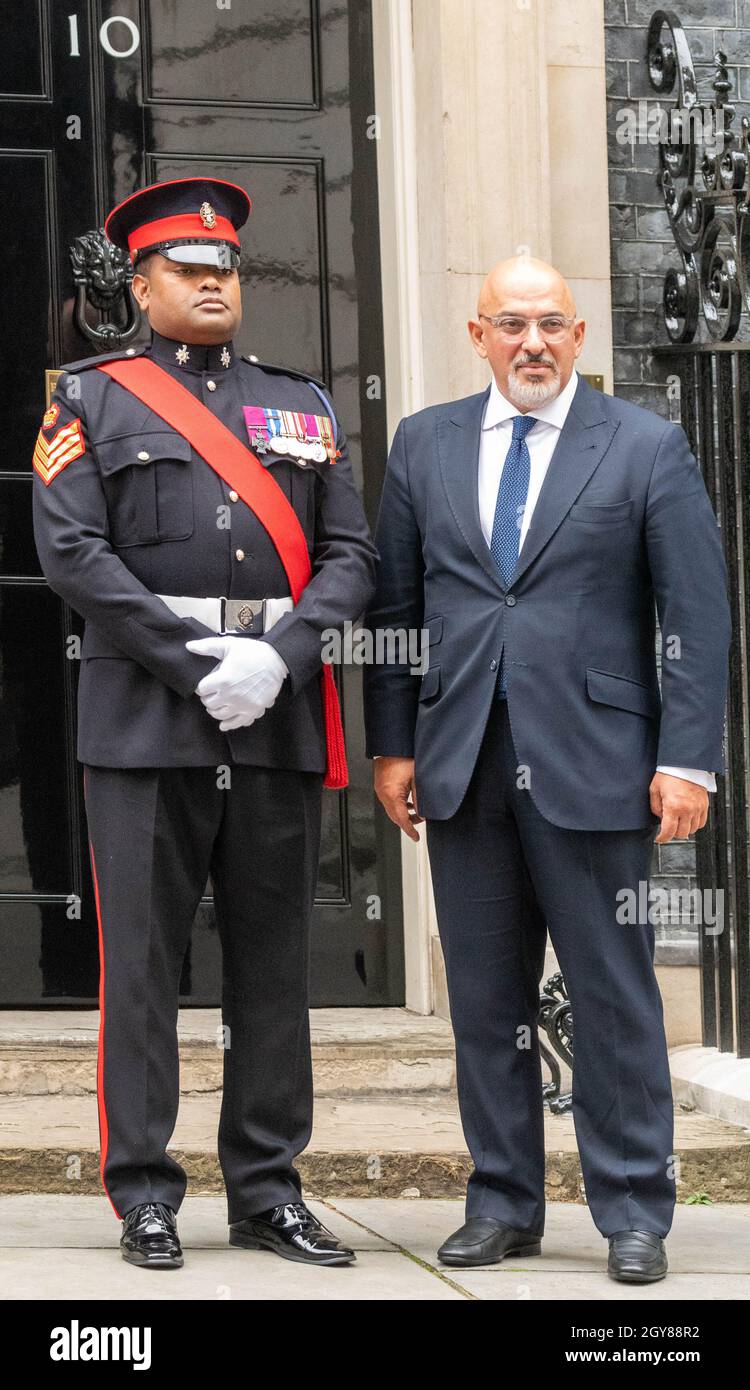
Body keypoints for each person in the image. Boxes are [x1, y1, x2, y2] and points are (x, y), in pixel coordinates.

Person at [362, 256, 731, 1284]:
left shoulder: (646, 445)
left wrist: (688, 760)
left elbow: (695, 618)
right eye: (512, 323)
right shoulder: (425, 443)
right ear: (478, 334)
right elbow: (397, 609)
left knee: (614, 996)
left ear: (579, 337)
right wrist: (393, 742)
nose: (533, 343)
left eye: (553, 325)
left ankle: (633, 1209)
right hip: (462, 763)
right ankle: (502, 1202)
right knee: (486, 1000)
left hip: (602, 767)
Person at [32, 176, 378, 1269]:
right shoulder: (87, 400)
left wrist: (276, 655)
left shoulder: (302, 406)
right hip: (144, 721)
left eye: (225, 267)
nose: (215, 283)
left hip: (269, 715)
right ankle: (143, 1191)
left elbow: (353, 554)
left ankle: (268, 1189)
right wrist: (198, 664)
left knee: (275, 965)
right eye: (188, 269)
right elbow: (72, 554)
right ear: (142, 285)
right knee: (139, 966)